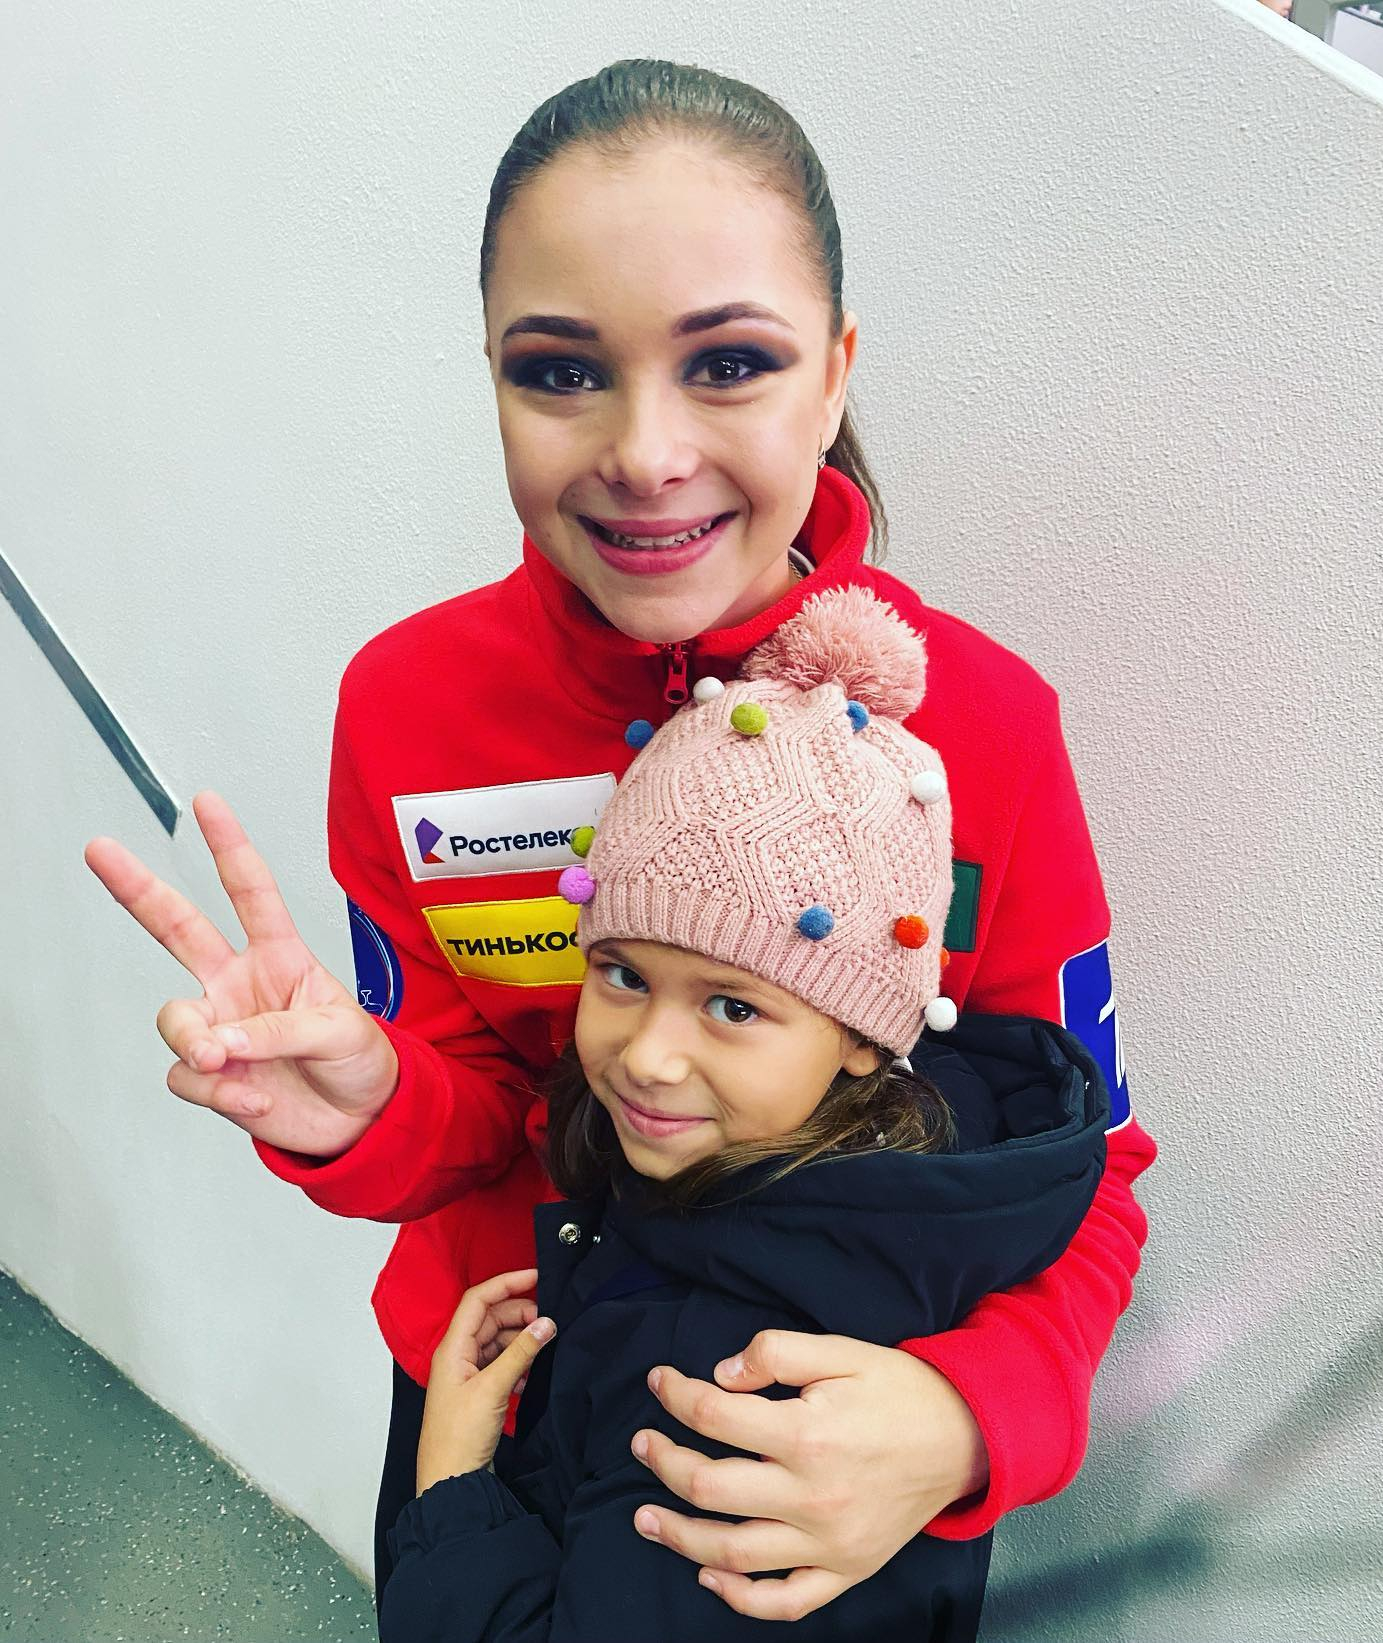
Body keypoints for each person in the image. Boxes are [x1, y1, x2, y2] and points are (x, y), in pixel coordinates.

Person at [84, 59, 1156, 1624]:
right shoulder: (410, 707)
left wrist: (970, 1415)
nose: (645, 452)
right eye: (561, 371)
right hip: (497, 1403)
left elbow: (1087, 1157)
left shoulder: (983, 730)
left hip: (819, 1452)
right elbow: (473, 1109)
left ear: (835, 376)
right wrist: (368, 1109)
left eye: (729, 362)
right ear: (493, 378)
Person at [378, 588, 1113, 1641]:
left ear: (862, 1036)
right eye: (621, 973)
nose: (649, 1055)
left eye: (733, 1006)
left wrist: (450, 1493)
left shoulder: (720, 1377)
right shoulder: (904, 1176)